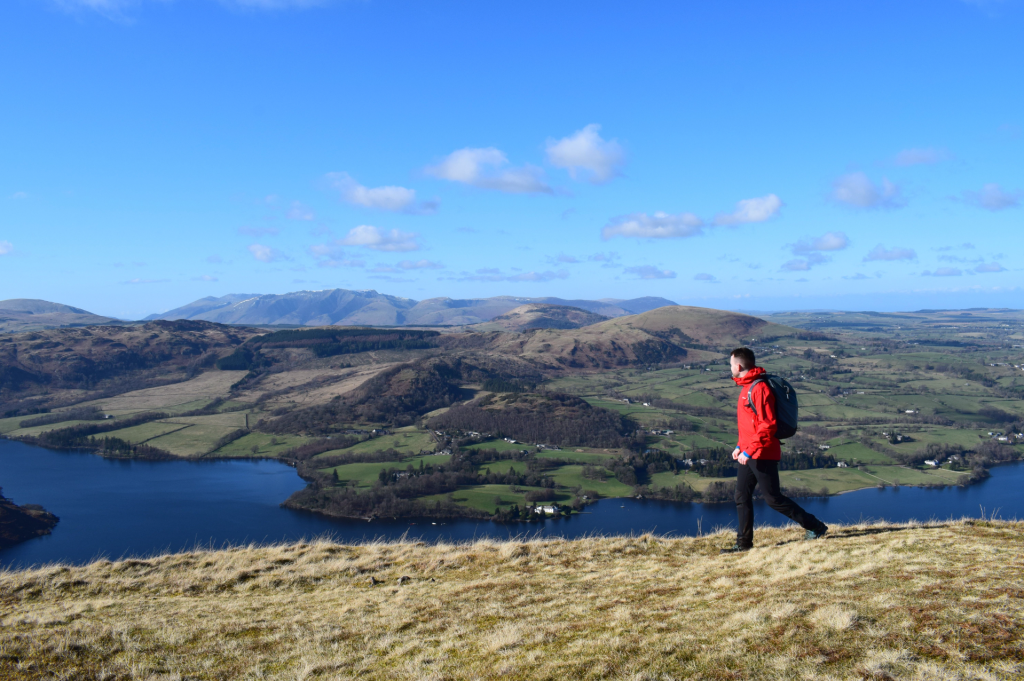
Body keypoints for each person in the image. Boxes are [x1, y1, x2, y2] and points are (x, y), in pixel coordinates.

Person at [721, 347, 828, 553]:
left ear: (739, 366)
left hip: (762, 453)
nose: (730, 367)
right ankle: (743, 544)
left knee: (773, 499)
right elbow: (749, 425)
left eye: (731, 364)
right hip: (750, 452)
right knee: (741, 496)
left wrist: (749, 451)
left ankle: (815, 526)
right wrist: (739, 447)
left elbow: (767, 425)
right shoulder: (747, 386)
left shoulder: (758, 388)